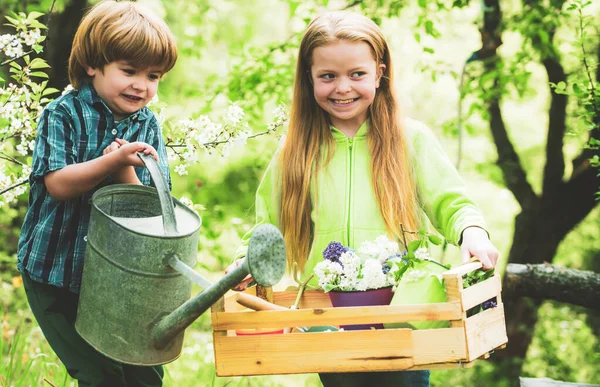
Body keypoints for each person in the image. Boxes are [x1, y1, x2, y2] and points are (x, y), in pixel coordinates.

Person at [227, 10, 499, 387]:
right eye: (328, 76)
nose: (342, 88)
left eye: (356, 74)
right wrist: (246, 262)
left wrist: (473, 232)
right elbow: (267, 226)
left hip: (402, 319)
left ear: (379, 72)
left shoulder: (409, 139)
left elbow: (452, 202)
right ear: (309, 78)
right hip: (328, 326)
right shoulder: (296, 150)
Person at [16, 1, 177, 385]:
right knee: (98, 373)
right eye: (129, 71)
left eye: (153, 75)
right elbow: (57, 184)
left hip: (118, 278)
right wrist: (109, 162)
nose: (141, 84)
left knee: (144, 373)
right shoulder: (63, 113)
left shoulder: (148, 125)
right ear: (93, 65)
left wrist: (123, 167)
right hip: (54, 272)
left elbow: (155, 210)